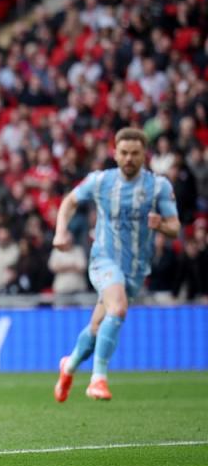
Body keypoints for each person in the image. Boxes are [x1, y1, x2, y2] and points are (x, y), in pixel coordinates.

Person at [53, 128, 179, 402]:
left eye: (135, 153)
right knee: (118, 307)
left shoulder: (159, 186)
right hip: (103, 260)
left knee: (98, 327)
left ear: (144, 154)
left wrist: (162, 226)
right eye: (124, 153)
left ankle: (69, 365)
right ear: (115, 153)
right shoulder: (100, 181)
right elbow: (69, 202)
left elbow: (176, 227)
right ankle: (98, 379)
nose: (129, 158)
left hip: (135, 269)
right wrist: (61, 231)